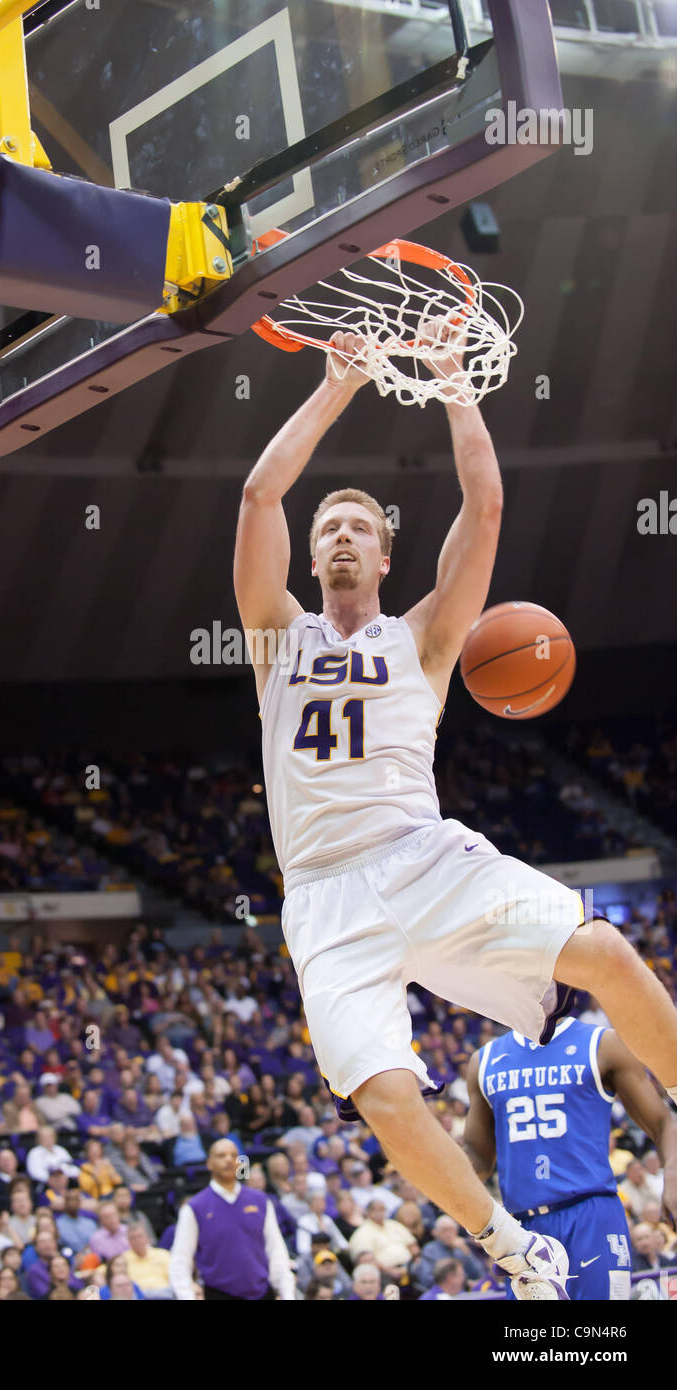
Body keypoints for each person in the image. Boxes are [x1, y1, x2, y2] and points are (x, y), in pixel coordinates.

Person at [232, 330, 677, 1298]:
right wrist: (333, 387)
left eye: (357, 525)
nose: (341, 533)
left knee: (600, 952)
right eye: (329, 527)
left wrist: (449, 382)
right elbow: (257, 495)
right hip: (322, 900)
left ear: (386, 553)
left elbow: (485, 503)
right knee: (386, 1099)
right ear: (312, 555)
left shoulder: (427, 639)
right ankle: (509, 1245)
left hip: (422, 856)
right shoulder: (274, 637)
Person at [464, 1015, 677, 1300]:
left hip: (591, 1214)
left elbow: (663, 1122)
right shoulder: (484, 1060)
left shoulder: (604, 1044)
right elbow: (477, 1157)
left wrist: (673, 1174)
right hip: (523, 1228)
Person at [169, 1138, 295, 1300]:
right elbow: (180, 1261)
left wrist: (287, 1294)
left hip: (262, 1292)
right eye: (221, 1155)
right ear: (209, 1163)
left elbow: (277, 1252)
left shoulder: (261, 1201)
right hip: (219, 1293)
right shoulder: (194, 1208)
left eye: (233, 1155)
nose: (228, 1159)